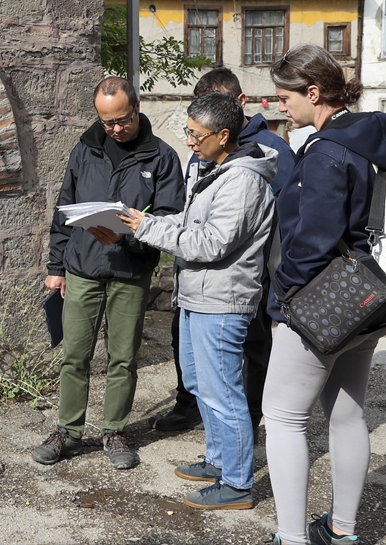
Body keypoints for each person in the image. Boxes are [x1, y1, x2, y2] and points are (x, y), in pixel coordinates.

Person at [262, 45, 386, 545]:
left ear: (314, 93)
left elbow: (314, 239)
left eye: (285, 98)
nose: (281, 107)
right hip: (368, 295)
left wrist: (284, 294)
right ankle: (341, 530)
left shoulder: (326, 150)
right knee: (347, 415)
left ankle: (291, 537)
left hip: (322, 301)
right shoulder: (372, 139)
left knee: (281, 418)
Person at [119, 94, 277, 510]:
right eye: (187, 131)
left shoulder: (242, 180)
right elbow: (190, 222)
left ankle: (238, 484)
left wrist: (148, 232)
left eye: (195, 134)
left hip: (222, 302)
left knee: (223, 393)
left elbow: (211, 242)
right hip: (198, 297)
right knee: (203, 387)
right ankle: (218, 460)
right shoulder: (216, 169)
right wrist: (144, 221)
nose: (189, 141)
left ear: (223, 136)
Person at [33, 75, 185, 470]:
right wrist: (55, 267)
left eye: (122, 120)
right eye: (107, 123)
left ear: (136, 108)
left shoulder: (162, 157)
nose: (116, 129)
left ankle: (114, 430)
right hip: (82, 268)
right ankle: (68, 432)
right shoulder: (84, 149)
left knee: (123, 357)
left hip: (131, 272)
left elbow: (170, 224)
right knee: (75, 355)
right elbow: (65, 208)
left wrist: (125, 239)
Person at [152, 69, 296, 438]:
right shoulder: (203, 151)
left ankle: (244, 429)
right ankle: (197, 415)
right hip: (197, 282)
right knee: (201, 368)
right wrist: (154, 224)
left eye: (197, 133)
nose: (190, 141)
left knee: (244, 359)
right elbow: (194, 214)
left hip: (241, 280)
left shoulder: (265, 155)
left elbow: (223, 235)